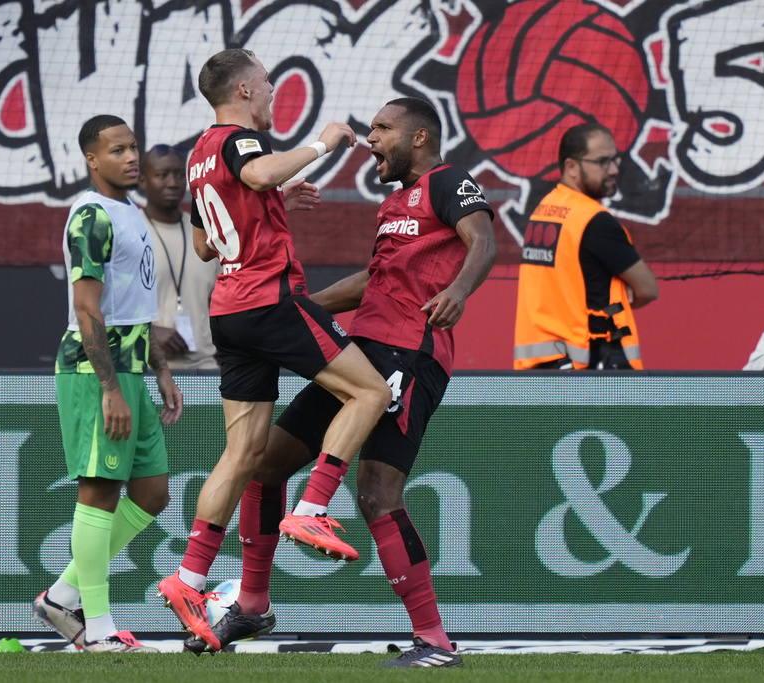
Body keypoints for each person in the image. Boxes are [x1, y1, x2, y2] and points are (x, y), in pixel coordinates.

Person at [184, 97, 497, 668]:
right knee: (265, 464)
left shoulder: (450, 181)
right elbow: (375, 282)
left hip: (412, 352)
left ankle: (434, 641)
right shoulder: (394, 204)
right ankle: (252, 605)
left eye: (383, 129)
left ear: (419, 137)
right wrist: (300, 309)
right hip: (364, 350)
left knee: (378, 495)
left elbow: (484, 241)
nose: (371, 139)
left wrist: (458, 291)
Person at [156, 48, 392, 651]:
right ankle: (312, 507)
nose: (271, 93)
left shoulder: (198, 154)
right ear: (240, 93)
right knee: (370, 391)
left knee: (244, 453)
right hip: (268, 301)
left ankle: (188, 578)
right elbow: (259, 173)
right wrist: (325, 141)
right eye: (265, 84)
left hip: (229, 313)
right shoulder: (240, 142)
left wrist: (276, 204)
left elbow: (210, 245)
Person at [31, 114, 183, 653]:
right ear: (92, 159)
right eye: (116, 149)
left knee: (153, 495)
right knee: (98, 495)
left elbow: (135, 306)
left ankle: (62, 594)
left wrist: (160, 368)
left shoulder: (131, 213)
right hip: (96, 374)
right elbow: (86, 307)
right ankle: (97, 629)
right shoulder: (91, 216)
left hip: (136, 369)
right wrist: (111, 388)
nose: (130, 157)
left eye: (133, 147)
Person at [514, 122, 658, 370]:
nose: (613, 170)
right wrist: (624, 296)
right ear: (571, 166)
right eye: (603, 162)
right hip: (586, 367)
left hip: (542, 366)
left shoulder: (544, 210)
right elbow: (648, 288)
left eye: (615, 160)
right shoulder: (595, 222)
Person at [139, 144, 219, 371]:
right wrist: (148, 332)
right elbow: (105, 305)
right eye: (161, 175)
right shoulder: (130, 233)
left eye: (178, 174)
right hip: (148, 371)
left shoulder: (206, 233)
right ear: (143, 181)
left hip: (206, 369)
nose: (173, 183)